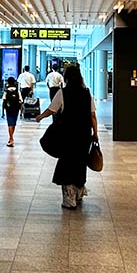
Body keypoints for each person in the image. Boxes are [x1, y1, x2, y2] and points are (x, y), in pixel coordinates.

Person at [36, 64, 98, 209]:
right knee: (80, 163)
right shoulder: (87, 93)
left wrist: (40, 117)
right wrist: (95, 133)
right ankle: (79, 193)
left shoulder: (63, 93)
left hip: (68, 135)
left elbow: (52, 109)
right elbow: (93, 115)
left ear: (67, 77)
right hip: (83, 135)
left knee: (67, 163)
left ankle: (69, 199)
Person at [1, 77, 22, 147]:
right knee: (13, 124)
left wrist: (2, 112)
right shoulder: (17, 91)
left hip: (8, 110)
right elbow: (21, 101)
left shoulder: (6, 91)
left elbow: (3, 101)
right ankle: (11, 138)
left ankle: (11, 139)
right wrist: (21, 111)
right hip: (16, 109)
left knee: (10, 124)